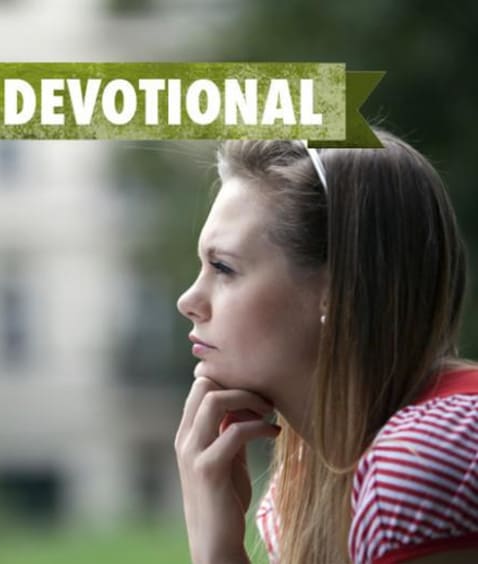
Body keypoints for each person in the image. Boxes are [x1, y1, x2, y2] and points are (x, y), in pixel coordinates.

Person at [174, 131, 478, 564]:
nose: (188, 301)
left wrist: (215, 550)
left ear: (335, 292)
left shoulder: (423, 455)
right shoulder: (298, 493)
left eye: (223, 267)